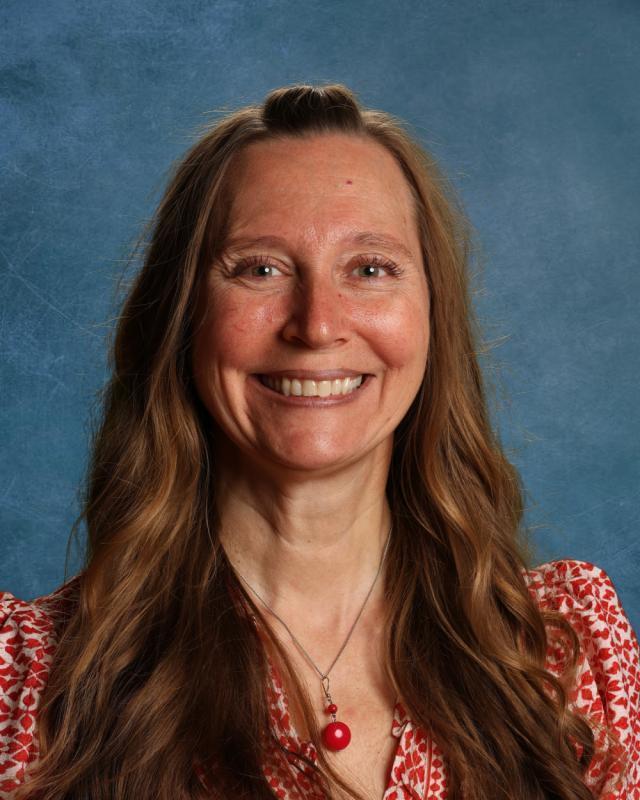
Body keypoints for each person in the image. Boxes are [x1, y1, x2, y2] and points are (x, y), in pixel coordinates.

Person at [0, 83, 638, 800]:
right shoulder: (27, 678)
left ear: (433, 321)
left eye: (370, 269)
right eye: (260, 269)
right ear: (181, 318)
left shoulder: (565, 660)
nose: (317, 324)